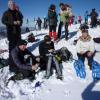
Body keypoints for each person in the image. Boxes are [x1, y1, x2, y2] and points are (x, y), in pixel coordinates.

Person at [2, 1, 23, 69]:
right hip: (11, 33)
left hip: (18, 32)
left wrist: (19, 22)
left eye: (13, 4)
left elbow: (21, 19)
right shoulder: (6, 13)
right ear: (8, 5)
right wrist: (13, 22)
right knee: (12, 48)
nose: (12, 6)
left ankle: (19, 60)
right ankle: (12, 64)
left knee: (18, 47)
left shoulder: (17, 12)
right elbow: (3, 21)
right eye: (11, 5)